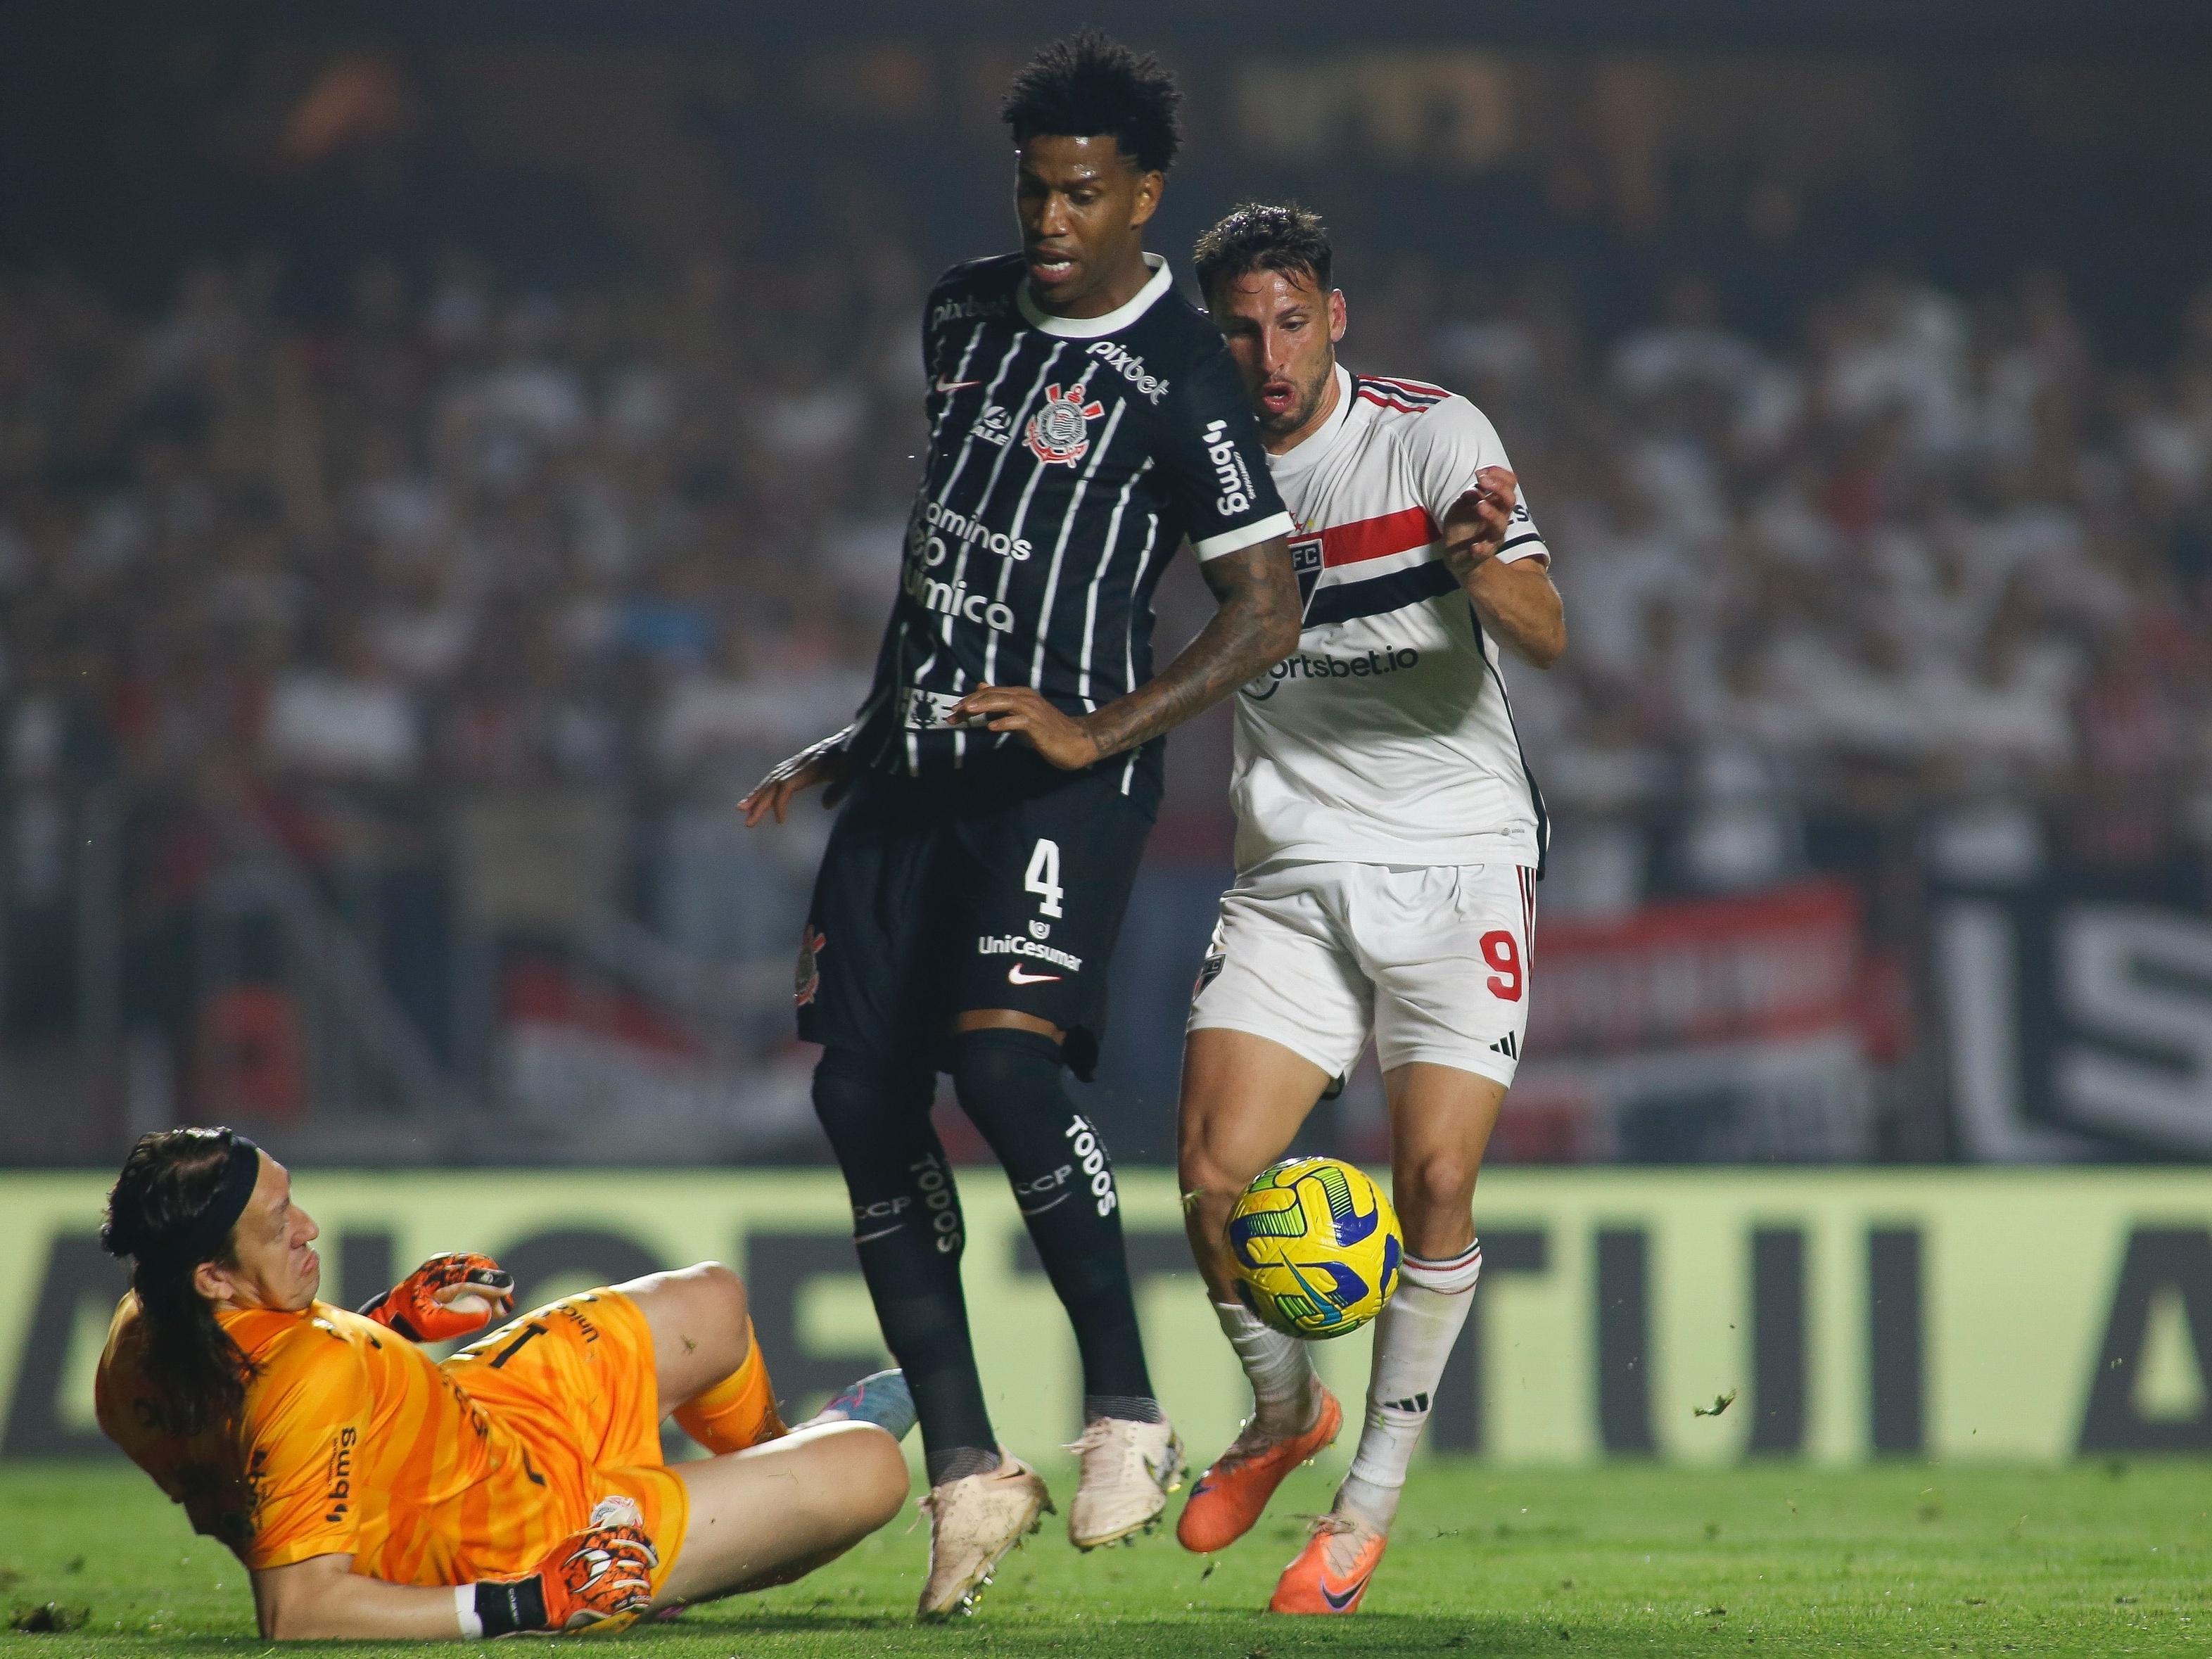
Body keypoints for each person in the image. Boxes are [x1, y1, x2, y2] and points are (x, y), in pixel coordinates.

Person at [739, 31, 1299, 1620]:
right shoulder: (964, 310)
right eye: (1033, 190)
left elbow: (1264, 606)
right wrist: (861, 725)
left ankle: (1126, 1400)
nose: (1051, 221)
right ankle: (971, 1463)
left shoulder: (1183, 368)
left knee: (998, 1058)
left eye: (1080, 193)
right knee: (859, 1091)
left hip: (1065, 771)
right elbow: (948, 548)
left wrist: (1097, 724)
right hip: (914, 765)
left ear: (1145, 196)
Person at [1174, 203, 1566, 1614]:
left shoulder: (1430, 434)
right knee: (1215, 1181)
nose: (1267, 354)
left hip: (1459, 860)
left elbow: (1548, 630)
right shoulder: (1196, 461)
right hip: (1288, 870)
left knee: (1437, 1189)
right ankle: (1286, 1415)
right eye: (1240, 329)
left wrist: (1477, 566)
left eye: (1292, 321)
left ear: (1335, 317)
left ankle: (1365, 1512)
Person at [94, 1127, 914, 1640]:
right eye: (278, 1225)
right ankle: (752, 1517)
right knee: (874, 1466)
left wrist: (390, 1325)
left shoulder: (139, 1339)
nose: (307, 1227)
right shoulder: (300, 1380)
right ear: (211, 1277)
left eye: (292, 1200)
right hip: (527, 1538)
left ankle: (770, 1482)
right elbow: (299, 1612)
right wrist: (526, 1603)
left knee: (716, 1300)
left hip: (488, 1417)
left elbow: (275, 1427)